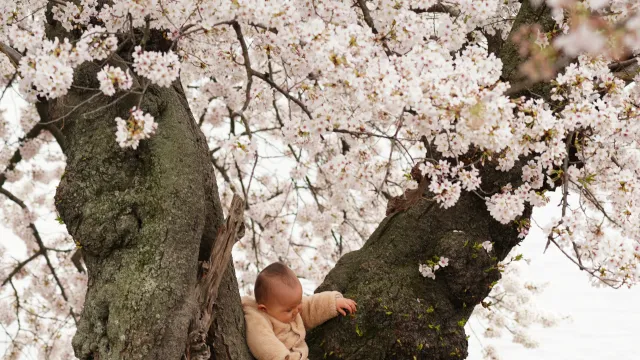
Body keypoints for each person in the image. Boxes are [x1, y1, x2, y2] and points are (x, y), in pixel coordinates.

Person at [241, 262, 357, 360]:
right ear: (264, 308)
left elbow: (311, 306)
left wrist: (333, 303)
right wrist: (283, 357)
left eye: (298, 303)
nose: (296, 311)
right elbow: (262, 341)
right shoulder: (258, 317)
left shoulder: (293, 307)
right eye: (289, 310)